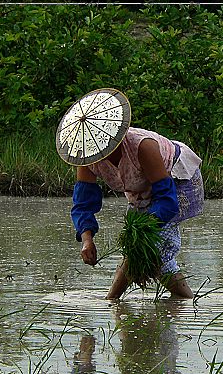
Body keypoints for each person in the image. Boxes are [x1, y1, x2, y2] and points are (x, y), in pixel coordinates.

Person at [70, 126, 204, 299]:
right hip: (141, 185)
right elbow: (83, 204)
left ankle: (186, 302)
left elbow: (167, 201)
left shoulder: (142, 146)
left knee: (153, 251)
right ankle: (113, 301)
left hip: (176, 179)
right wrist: (87, 241)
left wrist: (142, 231)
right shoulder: (88, 158)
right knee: (136, 249)